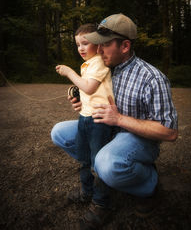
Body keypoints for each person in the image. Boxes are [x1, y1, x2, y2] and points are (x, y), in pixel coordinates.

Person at [51, 14, 178, 229]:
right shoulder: (105, 67)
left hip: (137, 138)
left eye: (105, 45)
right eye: (97, 44)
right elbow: (96, 94)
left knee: (106, 163)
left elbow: (169, 132)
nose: (98, 50)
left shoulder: (152, 78)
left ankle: (148, 184)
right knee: (59, 132)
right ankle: (106, 179)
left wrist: (119, 118)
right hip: (104, 130)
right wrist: (83, 103)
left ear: (125, 46)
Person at [55, 24, 114, 213]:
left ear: (97, 45)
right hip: (85, 118)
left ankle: (101, 201)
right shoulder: (87, 64)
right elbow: (86, 90)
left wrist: (70, 73)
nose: (80, 48)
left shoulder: (99, 62)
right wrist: (75, 92)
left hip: (98, 122)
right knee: (84, 159)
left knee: (97, 163)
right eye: (78, 44)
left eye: (85, 43)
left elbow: (90, 87)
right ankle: (86, 191)